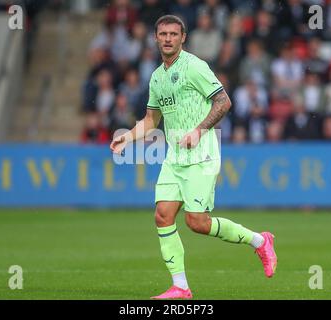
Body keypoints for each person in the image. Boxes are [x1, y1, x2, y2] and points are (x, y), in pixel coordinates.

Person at [110, 15, 277, 300]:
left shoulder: (195, 67)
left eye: (173, 34)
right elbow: (151, 120)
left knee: (197, 222)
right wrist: (126, 137)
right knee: (162, 216)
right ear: (155, 37)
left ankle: (260, 241)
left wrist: (200, 130)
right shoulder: (157, 77)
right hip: (174, 157)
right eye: (163, 34)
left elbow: (223, 101)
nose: (167, 39)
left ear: (183, 37)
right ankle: (181, 287)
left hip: (202, 154)